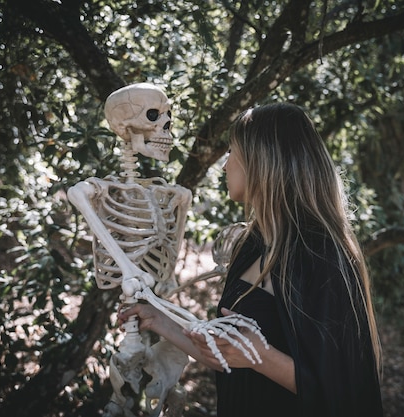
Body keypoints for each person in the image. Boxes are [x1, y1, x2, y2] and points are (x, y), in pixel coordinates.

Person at [119, 103, 383, 417]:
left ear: (262, 162)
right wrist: (159, 320)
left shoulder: (319, 254)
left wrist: (260, 355)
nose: (225, 165)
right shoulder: (253, 245)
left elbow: (344, 391)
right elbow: (227, 355)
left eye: (232, 152)